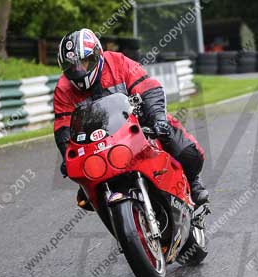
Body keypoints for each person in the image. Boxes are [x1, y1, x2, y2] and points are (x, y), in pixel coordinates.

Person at [53, 28, 210, 213]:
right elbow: (63, 125)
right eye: (72, 66)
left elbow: (148, 87)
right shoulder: (64, 88)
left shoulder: (117, 62)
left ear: (97, 55)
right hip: (97, 144)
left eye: (84, 63)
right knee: (85, 195)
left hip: (138, 124)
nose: (78, 70)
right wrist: (66, 154)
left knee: (186, 151)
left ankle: (193, 183)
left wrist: (157, 118)